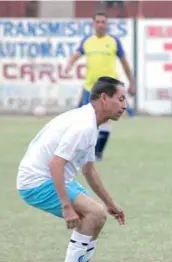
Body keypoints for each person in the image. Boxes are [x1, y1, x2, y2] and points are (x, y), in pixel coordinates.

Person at [17, 77, 128, 262]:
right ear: (104, 98)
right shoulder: (84, 125)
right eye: (121, 99)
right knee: (94, 214)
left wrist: (111, 203)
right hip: (36, 181)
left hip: (51, 177)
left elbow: (89, 170)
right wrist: (66, 206)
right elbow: (55, 164)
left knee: (99, 215)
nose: (125, 106)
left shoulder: (90, 121)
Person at [65, 11, 136, 161]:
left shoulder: (113, 41)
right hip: (90, 87)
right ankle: (83, 151)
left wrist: (132, 82)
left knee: (105, 118)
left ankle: (98, 153)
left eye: (103, 22)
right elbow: (76, 55)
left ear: (107, 24)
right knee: (84, 120)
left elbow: (125, 63)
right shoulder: (88, 41)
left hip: (109, 88)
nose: (100, 25)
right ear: (93, 24)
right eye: (98, 22)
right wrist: (69, 65)